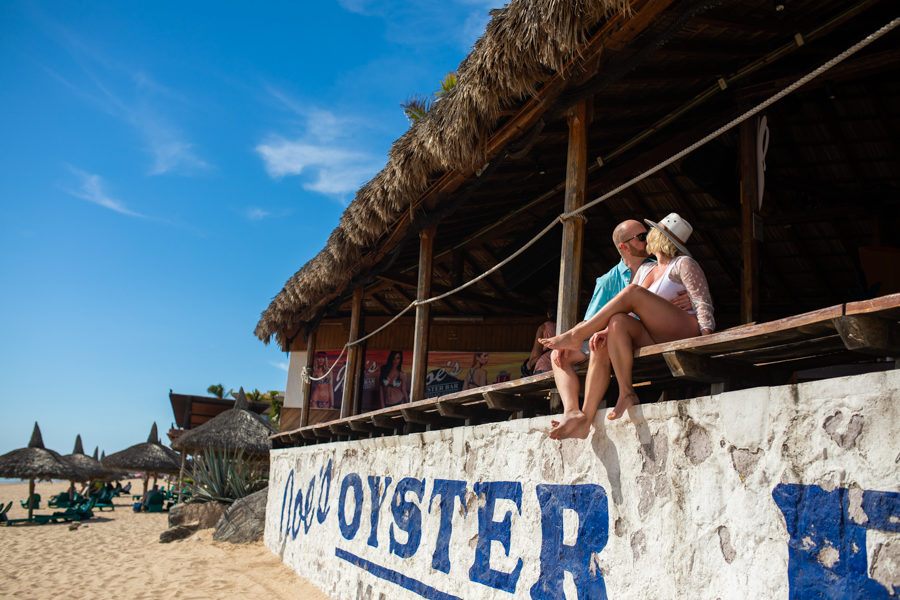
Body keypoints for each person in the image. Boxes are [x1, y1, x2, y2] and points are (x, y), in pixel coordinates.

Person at [541, 213, 714, 434]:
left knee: (631, 292)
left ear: (660, 238)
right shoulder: (645, 269)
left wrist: (706, 335)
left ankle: (577, 335)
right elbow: (633, 315)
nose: (647, 236)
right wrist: (607, 332)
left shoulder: (683, 263)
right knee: (616, 322)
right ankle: (609, 404)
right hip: (655, 332)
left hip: (684, 329)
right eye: (643, 235)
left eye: (650, 233)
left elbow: (703, 302)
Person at [526, 307, 556, 375]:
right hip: (564, 366)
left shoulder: (544, 327)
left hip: (545, 365)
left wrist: (530, 364)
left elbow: (536, 353)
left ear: (548, 315)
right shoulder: (570, 327)